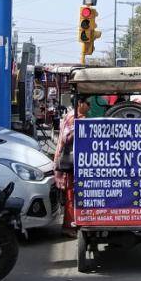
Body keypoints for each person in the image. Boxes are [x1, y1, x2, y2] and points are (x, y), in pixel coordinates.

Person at [53, 97, 89, 238]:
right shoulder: (73, 117)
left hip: (76, 161)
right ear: (80, 103)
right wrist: (80, 127)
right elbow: (66, 138)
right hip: (70, 161)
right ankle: (68, 227)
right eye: (88, 103)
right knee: (71, 195)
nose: (89, 107)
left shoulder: (76, 116)